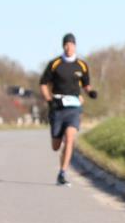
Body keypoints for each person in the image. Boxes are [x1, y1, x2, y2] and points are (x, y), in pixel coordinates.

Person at [39, 33, 98, 186]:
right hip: (57, 107)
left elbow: (86, 84)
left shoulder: (82, 65)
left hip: (74, 107)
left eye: (71, 44)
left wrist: (90, 92)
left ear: (75, 46)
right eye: (66, 44)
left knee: (70, 139)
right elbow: (43, 84)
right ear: (63, 46)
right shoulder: (55, 64)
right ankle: (61, 154)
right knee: (56, 146)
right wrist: (49, 100)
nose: (68, 47)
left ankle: (62, 173)